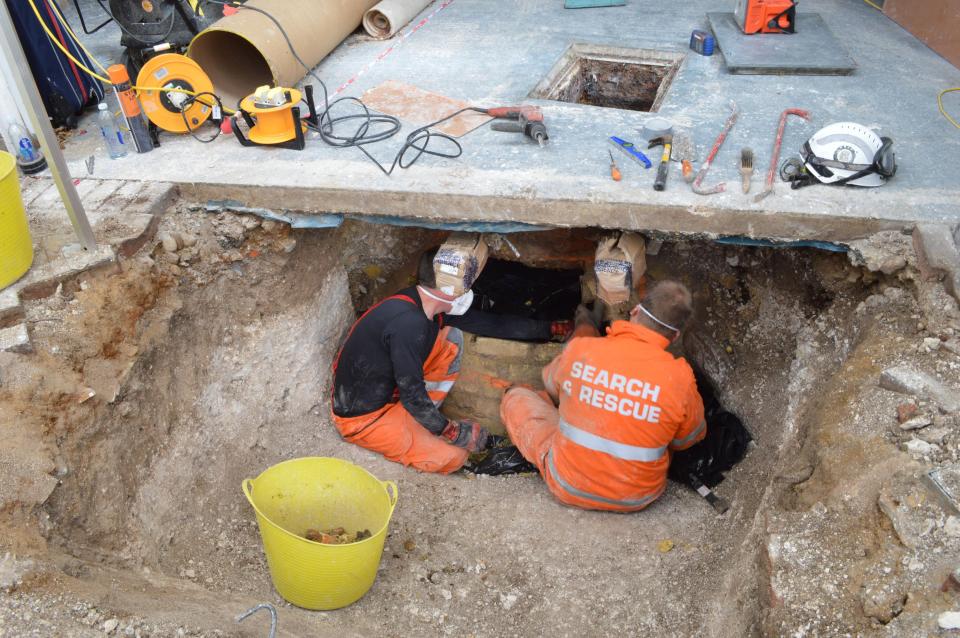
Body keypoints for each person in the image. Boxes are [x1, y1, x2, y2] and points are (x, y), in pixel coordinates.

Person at [331, 250, 573, 474]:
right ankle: (425, 423)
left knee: (450, 339)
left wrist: (550, 328)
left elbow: (488, 323)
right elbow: (412, 394)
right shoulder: (409, 324)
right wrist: (452, 431)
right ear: (447, 287)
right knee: (454, 457)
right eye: (465, 282)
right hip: (367, 418)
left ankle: (426, 419)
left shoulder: (425, 303)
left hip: (392, 392)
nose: (469, 288)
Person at [499, 280, 706, 511]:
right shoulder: (681, 378)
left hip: (569, 484)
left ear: (635, 311)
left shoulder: (583, 350)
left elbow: (550, 384)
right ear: (675, 336)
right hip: (637, 497)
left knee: (517, 396)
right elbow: (687, 439)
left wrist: (590, 389)